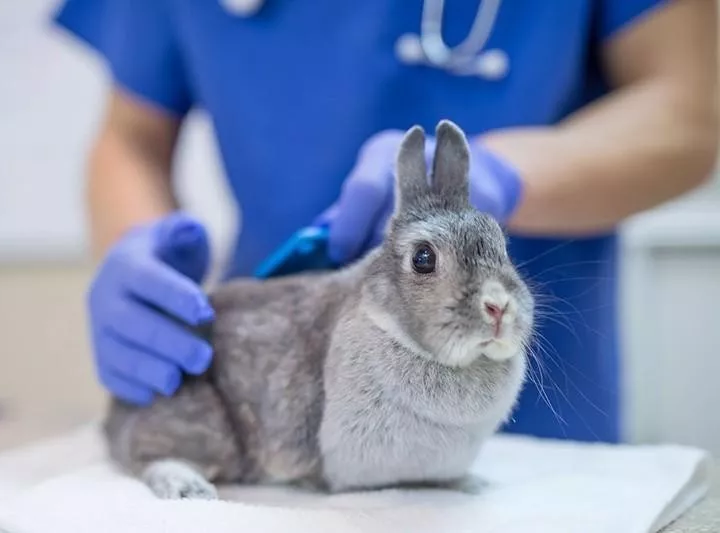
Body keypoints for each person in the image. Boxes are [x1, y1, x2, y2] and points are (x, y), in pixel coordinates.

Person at [53, 0, 718, 443]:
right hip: (279, 400)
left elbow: (689, 105)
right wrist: (141, 252)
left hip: (533, 430)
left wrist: (500, 177)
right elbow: (132, 136)